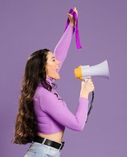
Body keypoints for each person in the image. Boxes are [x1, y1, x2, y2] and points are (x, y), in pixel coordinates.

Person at [13, 7, 94, 157]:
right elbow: (77, 124)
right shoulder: (44, 95)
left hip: (47, 152)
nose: (58, 63)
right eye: (53, 60)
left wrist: (71, 26)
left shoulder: (44, 86)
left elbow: (59, 54)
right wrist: (84, 94)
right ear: (42, 68)